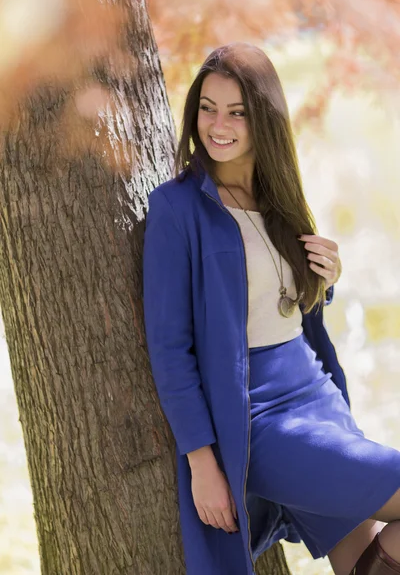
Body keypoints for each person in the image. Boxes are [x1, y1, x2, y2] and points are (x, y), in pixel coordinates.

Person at [142, 42, 400, 575]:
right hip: (258, 422)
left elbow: (283, 302)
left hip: (316, 396)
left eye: (237, 112)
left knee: (368, 560)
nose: (218, 124)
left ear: (264, 118)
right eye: (208, 107)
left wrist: (326, 280)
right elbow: (170, 347)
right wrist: (202, 461)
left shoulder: (279, 196)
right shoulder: (178, 208)